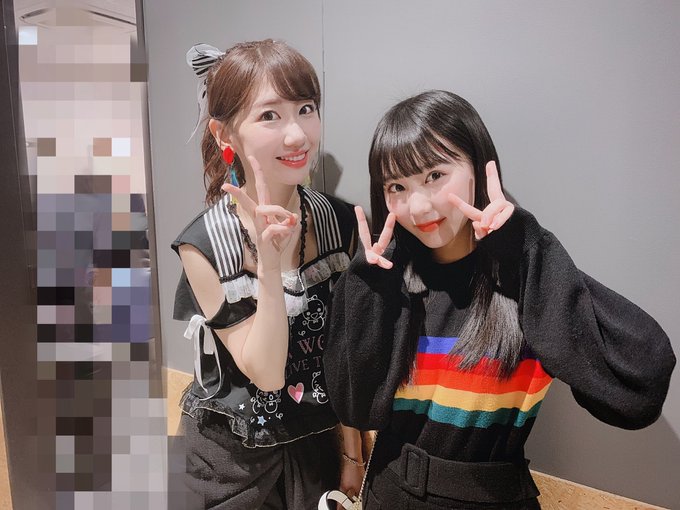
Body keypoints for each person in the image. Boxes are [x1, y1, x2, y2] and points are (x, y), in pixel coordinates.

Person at [323, 90, 676, 509]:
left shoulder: (528, 278)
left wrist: (525, 251)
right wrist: (366, 291)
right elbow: (353, 408)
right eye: (397, 186)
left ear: (478, 164)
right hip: (389, 495)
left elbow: (641, 389)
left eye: (435, 175)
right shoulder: (386, 284)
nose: (417, 206)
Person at [171, 39, 362, 509]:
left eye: (306, 109)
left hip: (317, 448)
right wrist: (270, 266)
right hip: (228, 463)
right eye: (270, 115)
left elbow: (345, 353)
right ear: (224, 134)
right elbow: (268, 373)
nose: (297, 135)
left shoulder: (339, 223)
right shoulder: (205, 243)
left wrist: (353, 454)